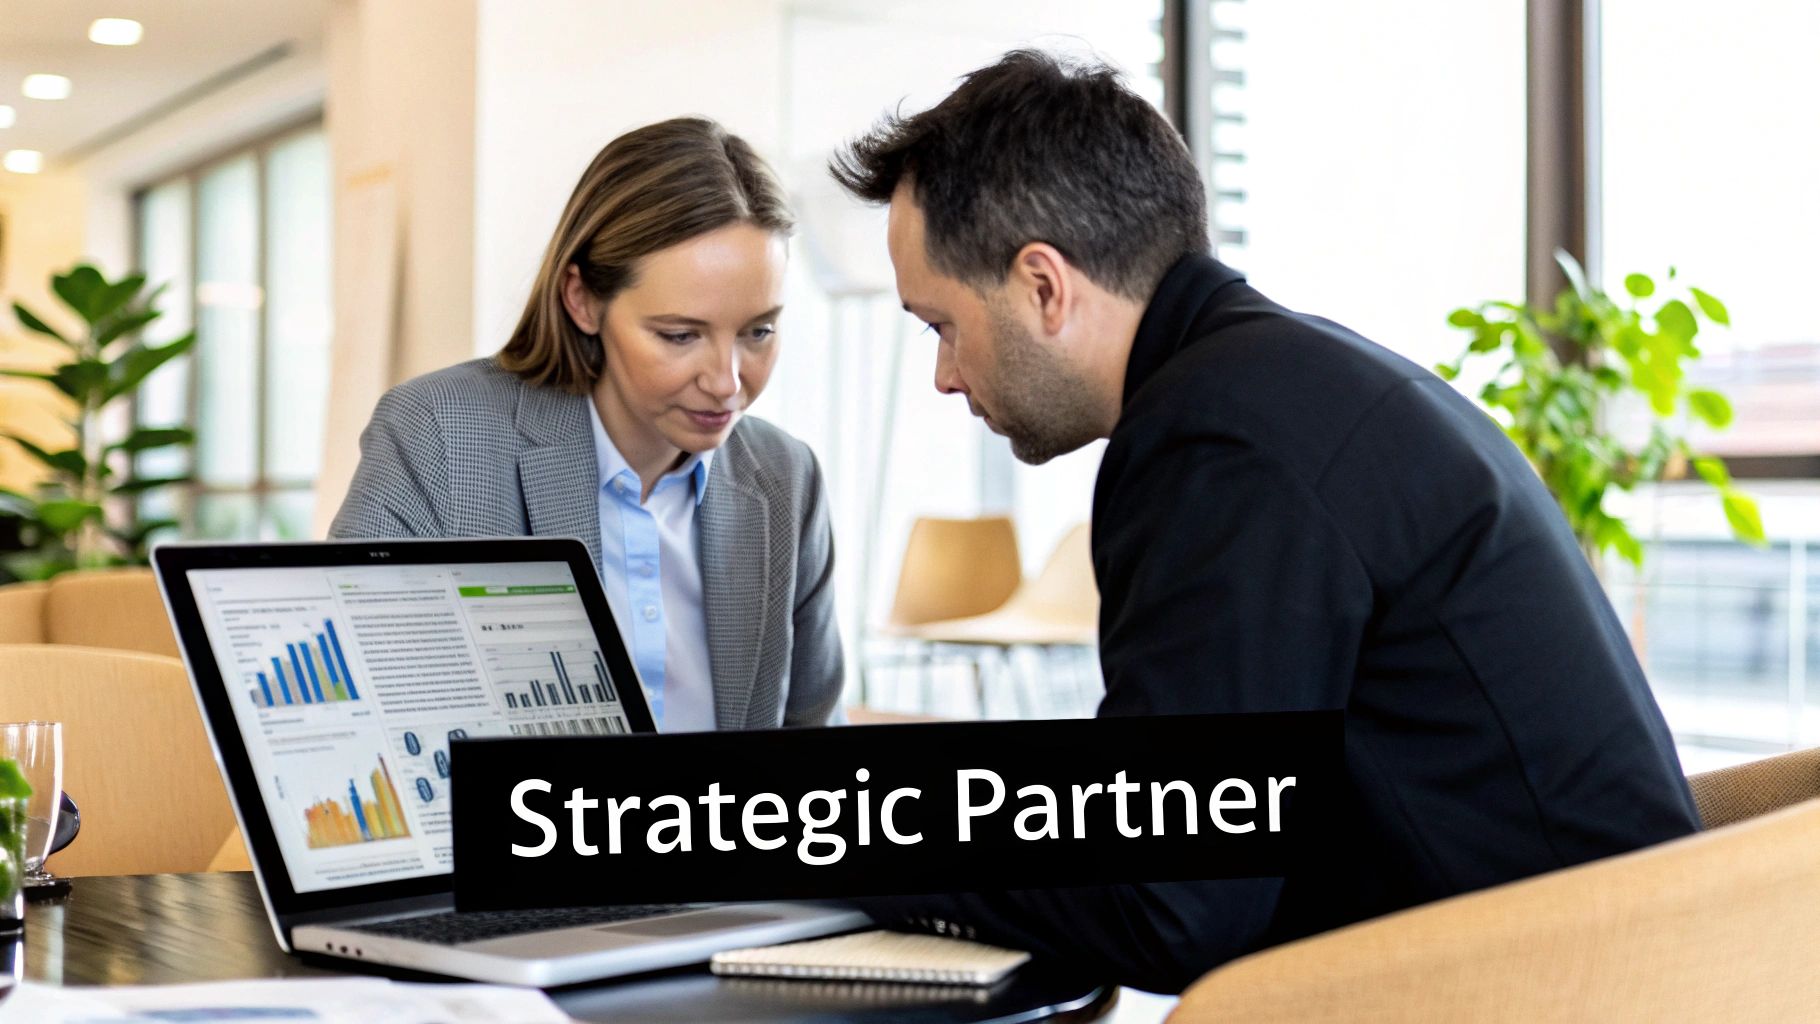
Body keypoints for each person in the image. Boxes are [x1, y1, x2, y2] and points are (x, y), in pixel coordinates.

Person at [829, 50, 1700, 992]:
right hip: (1607, 966)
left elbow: (1168, 903)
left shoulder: (1216, 447)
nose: (944, 375)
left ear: (1044, 286)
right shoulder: (1290, 385)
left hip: (1540, 999)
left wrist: (846, 845)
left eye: (941, 326)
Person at [332, 118, 841, 732]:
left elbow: (814, 742)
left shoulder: (786, 478)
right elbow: (361, 715)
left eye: (758, 331)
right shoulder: (438, 437)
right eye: (679, 335)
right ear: (583, 300)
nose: (727, 381)